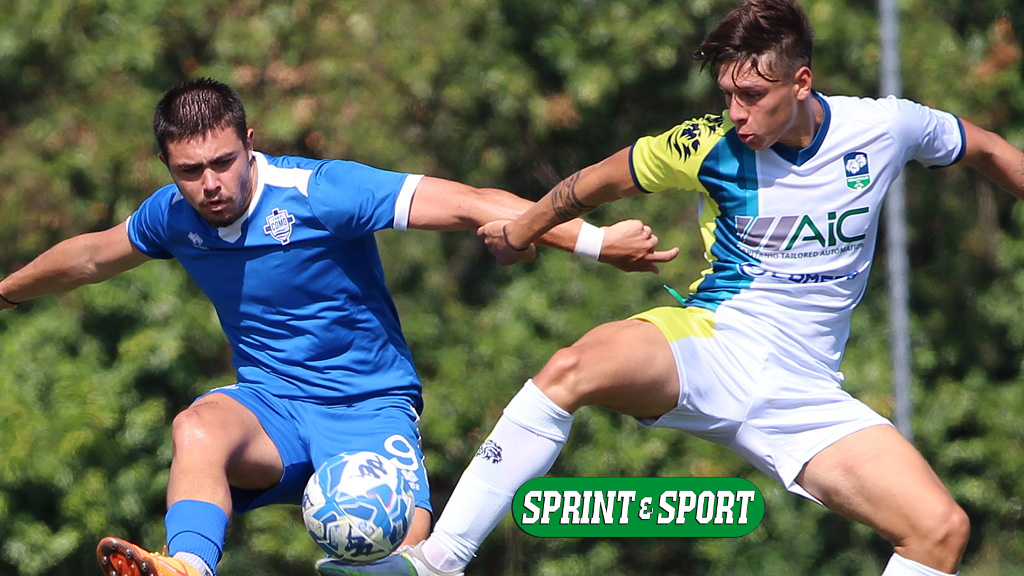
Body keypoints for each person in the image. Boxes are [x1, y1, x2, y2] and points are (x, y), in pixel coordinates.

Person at [319, 1, 1024, 575]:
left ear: (802, 83)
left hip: (807, 391)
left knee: (940, 529)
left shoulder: (885, 127)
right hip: (712, 344)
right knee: (571, 368)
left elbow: (987, 147)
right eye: (728, 95)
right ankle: (438, 561)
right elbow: (595, 182)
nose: (737, 112)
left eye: (753, 95)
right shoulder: (708, 143)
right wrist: (523, 230)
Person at [0, 78, 678, 576]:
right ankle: (188, 567)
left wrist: (596, 243)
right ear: (167, 168)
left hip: (368, 410)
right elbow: (89, 257)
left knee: (410, 562)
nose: (209, 183)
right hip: (271, 410)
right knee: (196, 427)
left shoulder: (322, 192)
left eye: (222, 162)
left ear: (249, 145)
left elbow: (474, 204)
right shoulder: (170, 217)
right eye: (189, 171)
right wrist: (5, 293)